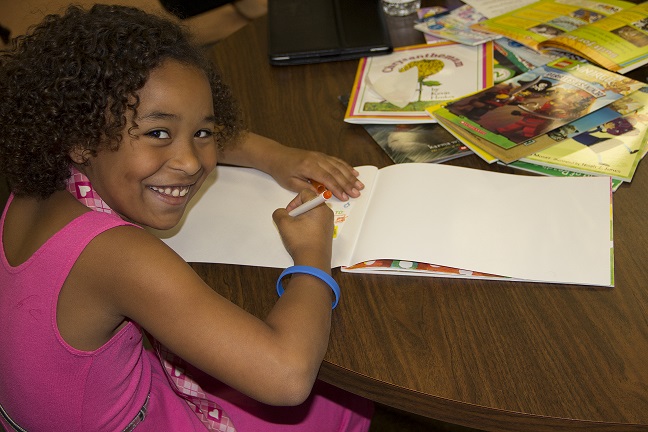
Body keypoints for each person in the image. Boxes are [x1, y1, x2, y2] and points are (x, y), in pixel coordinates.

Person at [0, 4, 373, 431]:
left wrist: (276, 156)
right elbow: (286, 377)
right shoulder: (119, 257)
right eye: (159, 134)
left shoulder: (35, 187)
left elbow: (179, 120)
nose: (191, 162)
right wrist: (312, 255)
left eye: (204, 134)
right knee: (343, 399)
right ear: (81, 138)